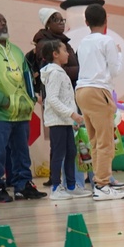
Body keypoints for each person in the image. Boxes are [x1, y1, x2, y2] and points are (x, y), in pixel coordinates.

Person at [0, 11, 45, 203]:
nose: (3, 24)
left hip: (21, 112)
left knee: (22, 152)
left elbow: (27, 76)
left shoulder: (15, 50)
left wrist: (31, 98)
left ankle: (23, 185)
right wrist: (2, 100)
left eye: (4, 20)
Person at [74, 4, 124, 201]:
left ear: (86, 22)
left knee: (95, 140)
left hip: (81, 91)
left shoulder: (82, 43)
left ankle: (99, 182)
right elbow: (114, 71)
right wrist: (120, 54)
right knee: (105, 141)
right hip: (98, 90)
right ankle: (103, 184)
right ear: (106, 20)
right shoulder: (107, 41)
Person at [39, 39, 92, 201]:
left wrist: (72, 120)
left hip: (65, 121)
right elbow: (52, 100)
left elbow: (66, 98)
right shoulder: (54, 74)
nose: (68, 53)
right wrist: (72, 114)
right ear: (55, 54)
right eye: (64, 50)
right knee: (59, 154)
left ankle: (70, 186)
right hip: (57, 122)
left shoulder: (60, 72)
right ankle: (56, 187)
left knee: (71, 152)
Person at [27, 7, 79, 98]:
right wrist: (81, 71)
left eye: (62, 20)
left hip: (69, 90)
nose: (61, 22)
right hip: (56, 94)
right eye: (56, 20)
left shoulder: (64, 42)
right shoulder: (45, 45)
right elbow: (53, 71)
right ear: (48, 24)